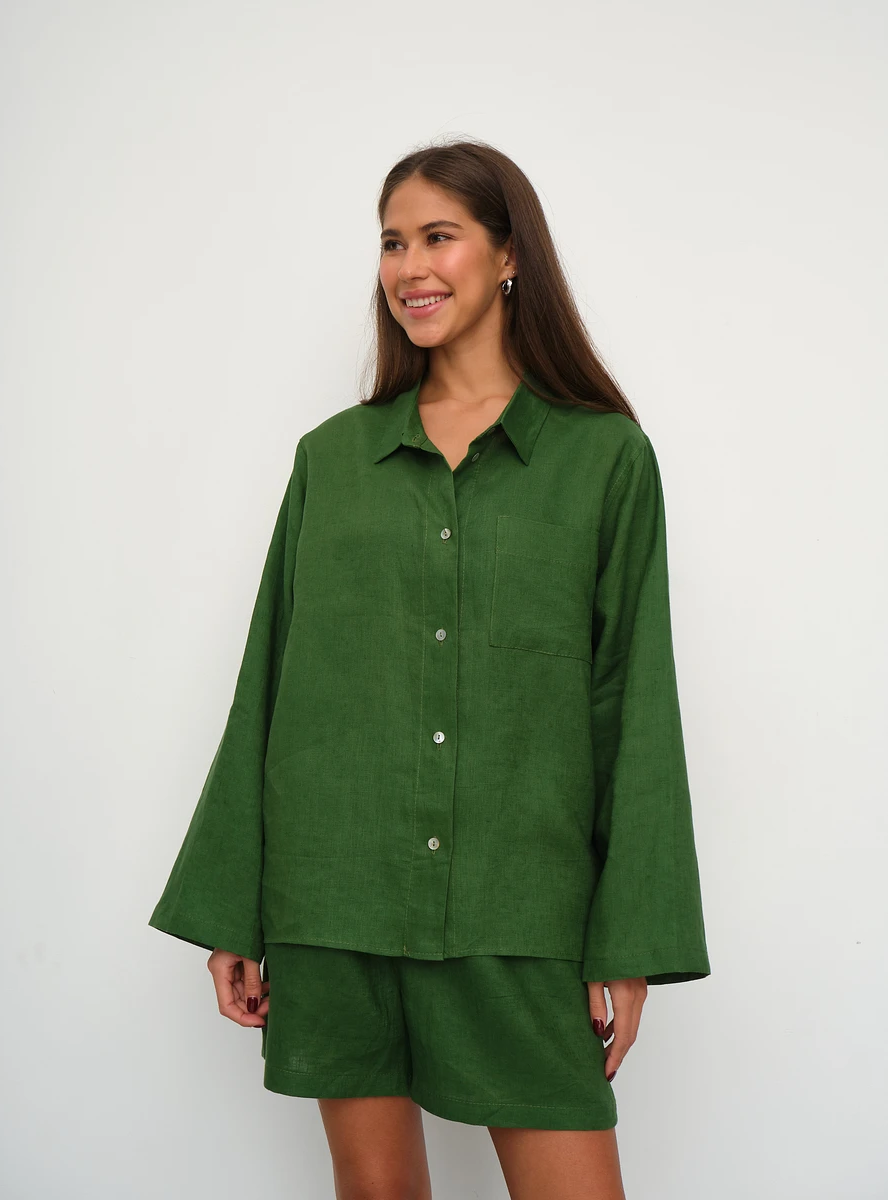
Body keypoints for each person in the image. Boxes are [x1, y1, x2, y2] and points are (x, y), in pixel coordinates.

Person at [148, 137, 711, 1200]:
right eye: (392, 242)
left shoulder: (603, 460)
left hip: (518, 913)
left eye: (438, 237)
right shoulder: (332, 460)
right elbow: (268, 684)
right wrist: (233, 909)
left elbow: (634, 706)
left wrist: (626, 941)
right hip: (336, 903)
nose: (409, 267)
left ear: (509, 254)